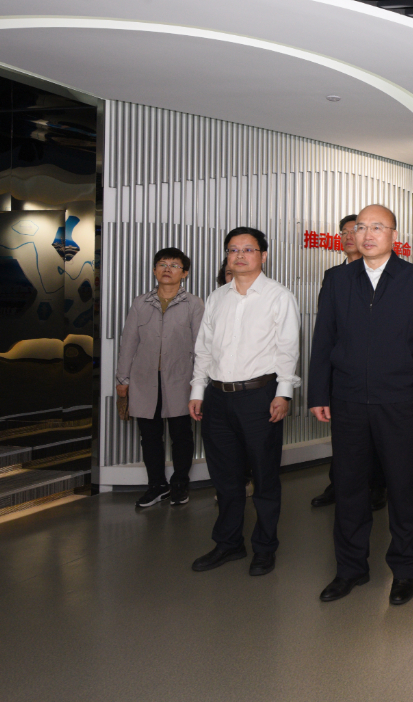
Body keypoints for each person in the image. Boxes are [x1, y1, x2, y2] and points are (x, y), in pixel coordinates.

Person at [308, 205, 413, 605]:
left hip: (398, 401)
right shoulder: (337, 279)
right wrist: (319, 393)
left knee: (402, 488)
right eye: (360, 227)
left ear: (394, 234)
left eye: (376, 227)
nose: (366, 234)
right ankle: (350, 569)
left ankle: (404, 571)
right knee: (349, 488)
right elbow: (324, 338)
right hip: (347, 400)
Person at [188, 227, 300, 577]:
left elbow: (288, 348)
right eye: (233, 249)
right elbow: (204, 349)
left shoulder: (279, 296)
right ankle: (229, 543)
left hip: (260, 396)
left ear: (263, 256)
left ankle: (265, 547)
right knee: (225, 477)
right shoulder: (216, 297)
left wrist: (283, 392)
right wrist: (197, 391)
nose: (239, 255)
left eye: (248, 249)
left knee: (264, 477)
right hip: (217, 398)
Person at [310, 214, 388, 513]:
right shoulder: (334, 276)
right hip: (342, 374)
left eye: (354, 230)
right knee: (344, 439)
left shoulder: (387, 275)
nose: (348, 237)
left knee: (376, 436)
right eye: (343, 232)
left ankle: (377, 486)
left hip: (378, 377)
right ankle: (339, 484)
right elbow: (326, 331)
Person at [116, 247, 204, 508]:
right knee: (150, 437)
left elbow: (201, 346)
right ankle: (156, 485)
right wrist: (122, 379)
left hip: (180, 379)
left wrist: (199, 384)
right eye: (162, 264)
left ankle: (179, 484)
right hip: (144, 381)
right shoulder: (140, 303)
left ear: (184, 273)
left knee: (181, 435)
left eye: (175, 265)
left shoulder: (194, 304)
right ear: (155, 270)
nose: (168, 269)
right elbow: (128, 343)